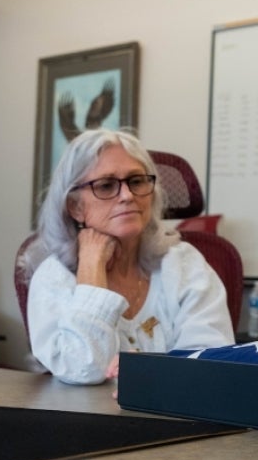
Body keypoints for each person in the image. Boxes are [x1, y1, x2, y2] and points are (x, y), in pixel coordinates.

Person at [25, 128, 234, 384]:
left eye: (136, 181)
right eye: (106, 185)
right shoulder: (54, 276)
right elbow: (81, 369)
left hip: (178, 420)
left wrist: (144, 374)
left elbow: (211, 364)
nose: (127, 196)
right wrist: (91, 272)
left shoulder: (183, 263)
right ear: (76, 207)